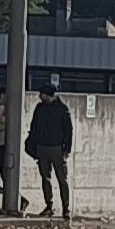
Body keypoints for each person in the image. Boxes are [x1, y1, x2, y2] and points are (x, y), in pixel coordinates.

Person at [26, 85, 73, 219]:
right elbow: (34, 127)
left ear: (48, 95)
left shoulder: (62, 109)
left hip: (57, 148)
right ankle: (49, 206)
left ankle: (66, 208)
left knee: (62, 179)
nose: (40, 97)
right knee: (45, 178)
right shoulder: (40, 108)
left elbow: (68, 130)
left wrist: (67, 149)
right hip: (42, 147)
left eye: (42, 94)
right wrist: (32, 146)